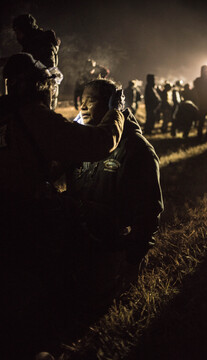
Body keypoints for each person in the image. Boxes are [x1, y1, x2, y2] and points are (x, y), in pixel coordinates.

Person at [0, 53, 124, 360]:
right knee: (42, 287)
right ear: (35, 85)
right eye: (46, 83)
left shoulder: (4, 114)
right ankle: (42, 346)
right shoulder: (33, 115)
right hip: (24, 217)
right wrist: (116, 113)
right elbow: (98, 142)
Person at [68, 78, 163, 308]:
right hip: (80, 244)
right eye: (81, 101)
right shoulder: (86, 140)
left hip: (113, 248)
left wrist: (132, 261)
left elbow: (149, 212)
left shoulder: (136, 148)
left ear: (113, 106)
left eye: (90, 102)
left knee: (98, 310)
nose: (82, 108)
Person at [12, 13, 61, 109]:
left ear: (25, 30)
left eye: (18, 32)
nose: (17, 36)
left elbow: (46, 72)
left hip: (41, 98)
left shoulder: (42, 43)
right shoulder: (34, 44)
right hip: (36, 98)